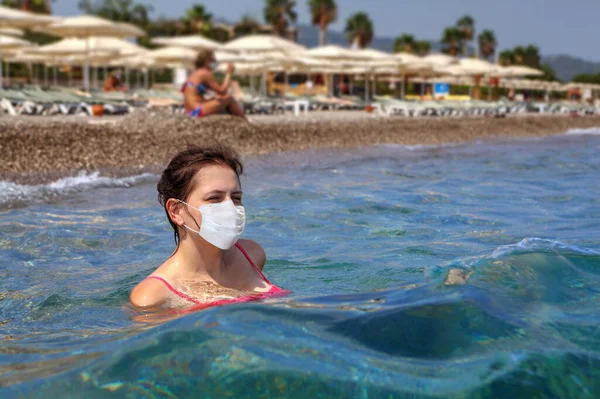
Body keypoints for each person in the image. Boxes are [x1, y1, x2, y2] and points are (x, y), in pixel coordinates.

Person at [130, 145, 287, 311]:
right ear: (176, 211)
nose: (230, 208)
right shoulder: (151, 296)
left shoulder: (252, 254)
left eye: (236, 197)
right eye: (214, 198)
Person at [182, 50, 246, 120]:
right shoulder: (205, 73)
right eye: (214, 60)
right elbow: (222, 91)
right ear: (207, 61)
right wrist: (229, 73)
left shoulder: (195, 74)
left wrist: (216, 98)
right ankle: (246, 122)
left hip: (190, 111)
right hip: (198, 111)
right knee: (229, 99)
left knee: (221, 99)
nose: (215, 63)